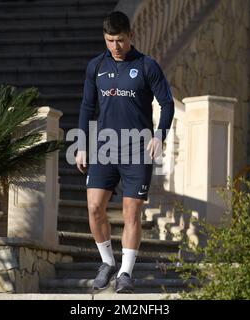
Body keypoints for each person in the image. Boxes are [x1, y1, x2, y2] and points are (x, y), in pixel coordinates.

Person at [76, 11, 175, 293]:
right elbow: (86, 107)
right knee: (94, 208)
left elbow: (166, 104)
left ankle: (125, 274)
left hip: (137, 149)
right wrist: (82, 143)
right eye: (110, 40)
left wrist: (160, 135)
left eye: (120, 40)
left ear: (131, 36)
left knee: (131, 214)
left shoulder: (147, 66)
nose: (115, 46)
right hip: (105, 148)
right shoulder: (96, 67)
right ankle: (107, 262)